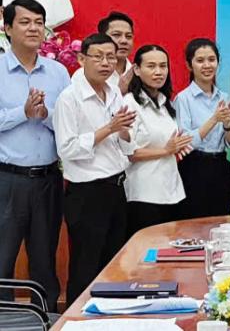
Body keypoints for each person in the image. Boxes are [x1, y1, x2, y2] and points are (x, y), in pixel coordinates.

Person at [54, 33, 137, 305]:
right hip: (87, 194)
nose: (105, 63)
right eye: (98, 57)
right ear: (81, 59)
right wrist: (108, 129)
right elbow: (67, 149)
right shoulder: (69, 98)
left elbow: (125, 145)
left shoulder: (114, 93)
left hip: (116, 187)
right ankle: (77, 319)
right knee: (85, 266)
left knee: (113, 263)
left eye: (110, 57)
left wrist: (122, 131)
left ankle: (109, 317)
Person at [0, 0, 70, 311]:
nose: (33, 28)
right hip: (7, 179)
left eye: (39, 22)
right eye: (25, 22)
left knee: (44, 260)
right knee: (3, 259)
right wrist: (23, 112)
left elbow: (69, 122)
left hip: (47, 179)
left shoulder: (58, 73)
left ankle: (47, 319)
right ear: (7, 28)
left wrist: (45, 115)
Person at [123, 45, 192, 236]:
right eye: (151, 66)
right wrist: (166, 150)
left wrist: (178, 147)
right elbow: (128, 152)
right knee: (147, 250)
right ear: (137, 69)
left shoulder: (165, 103)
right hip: (143, 193)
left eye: (163, 66)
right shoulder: (129, 103)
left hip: (172, 190)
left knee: (170, 248)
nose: (158, 72)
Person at [175, 38, 230, 219]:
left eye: (211, 59)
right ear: (189, 65)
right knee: (194, 223)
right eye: (200, 60)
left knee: (221, 220)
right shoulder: (183, 99)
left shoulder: (225, 97)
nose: (207, 65)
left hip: (221, 166)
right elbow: (186, 142)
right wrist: (214, 119)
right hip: (193, 166)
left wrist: (227, 125)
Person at [72, 11, 135, 93]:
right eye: (116, 35)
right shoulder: (83, 75)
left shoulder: (140, 73)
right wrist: (119, 92)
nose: (124, 41)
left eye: (128, 36)